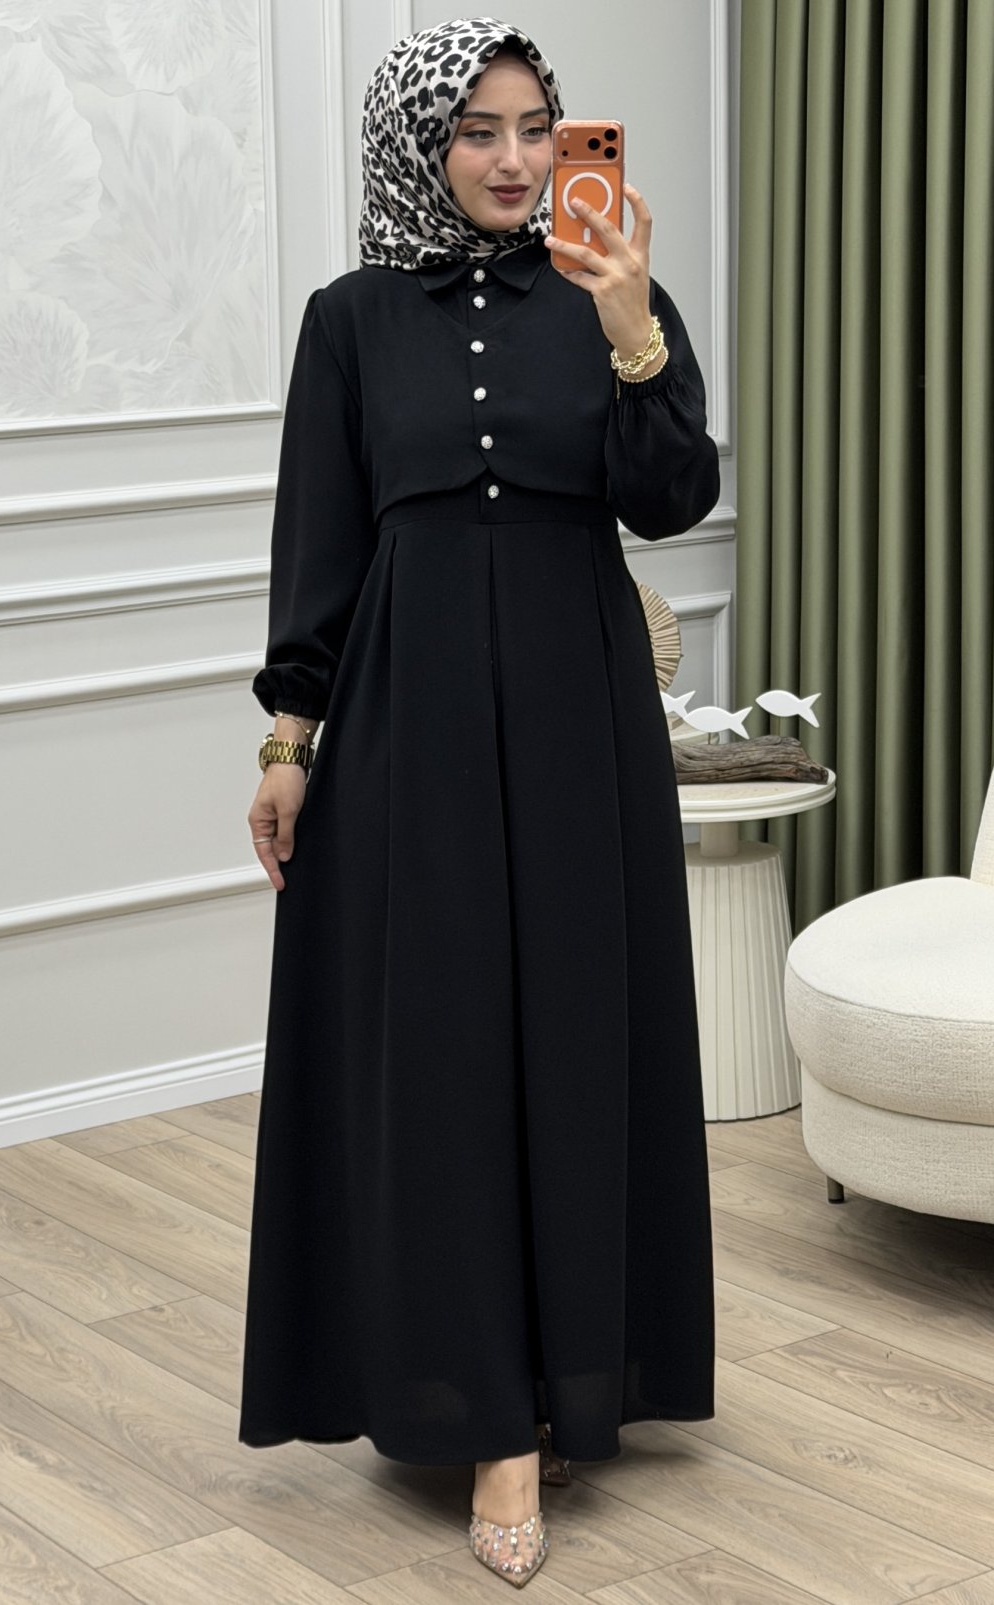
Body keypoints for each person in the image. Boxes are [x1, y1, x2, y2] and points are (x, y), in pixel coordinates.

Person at [239, 16, 718, 1589]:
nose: (515, 159)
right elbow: (322, 539)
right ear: (420, 145)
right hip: (410, 724)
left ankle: (577, 1371)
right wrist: (288, 743)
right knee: (438, 1054)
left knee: (575, 1038)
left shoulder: (612, 284)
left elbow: (672, 493)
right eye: (477, 130)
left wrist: (634, 328)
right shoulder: (350, 319)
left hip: (582, 715)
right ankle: (489, 1414)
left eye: (535, 126)